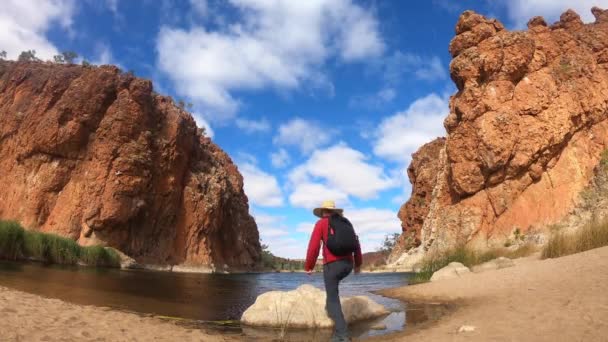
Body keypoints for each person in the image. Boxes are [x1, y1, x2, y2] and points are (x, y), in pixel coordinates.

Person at [305, 200, 362, 342]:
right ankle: (330, 309)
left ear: (323, 212)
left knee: (333, 298)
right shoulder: (346, 223)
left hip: (332, 265)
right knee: (332, 293)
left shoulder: (321, 223)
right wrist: (358, 264)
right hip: (348, 265)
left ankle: (342, 335)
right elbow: (356, 243)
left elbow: (313, 247)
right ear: (334, 211)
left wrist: (309, 266)